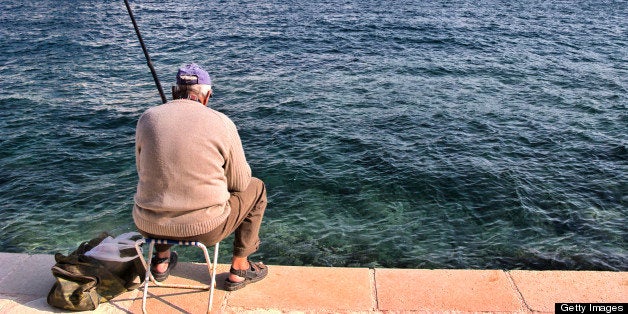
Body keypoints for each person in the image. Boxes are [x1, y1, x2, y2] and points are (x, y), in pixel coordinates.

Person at [132, 63, 268, 291]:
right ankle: (239, 269)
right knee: (257, 188)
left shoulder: (147, 118)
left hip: (148, 225)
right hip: (206, 229)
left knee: (162, 184)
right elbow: (240, 183)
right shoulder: (222, 122)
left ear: (175, 91)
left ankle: (161, 261)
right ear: (207, 96)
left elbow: (141, 170)